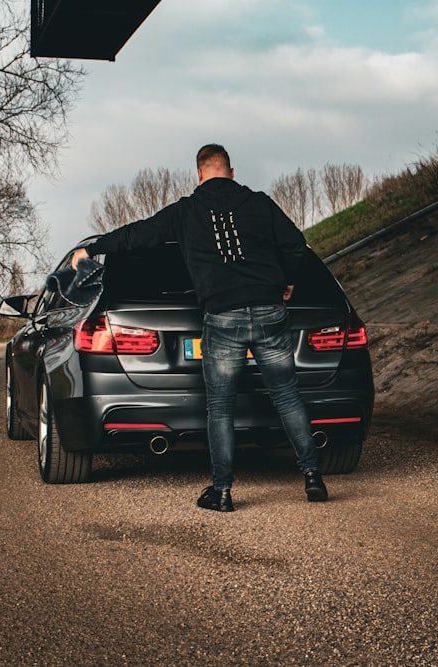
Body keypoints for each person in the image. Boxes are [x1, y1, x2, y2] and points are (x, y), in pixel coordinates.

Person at [71, 144, 328, 512]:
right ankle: (312, 477)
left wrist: (95, 247)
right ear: (231, 171)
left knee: (221, 407)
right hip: (271, 311)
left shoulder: (186, 211)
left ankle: (222, 492)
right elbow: (295, 243)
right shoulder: (258, 203)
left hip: (223, 317)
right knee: (286, 395)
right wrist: (285, 280)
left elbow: (138, 235)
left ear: (199, 175)